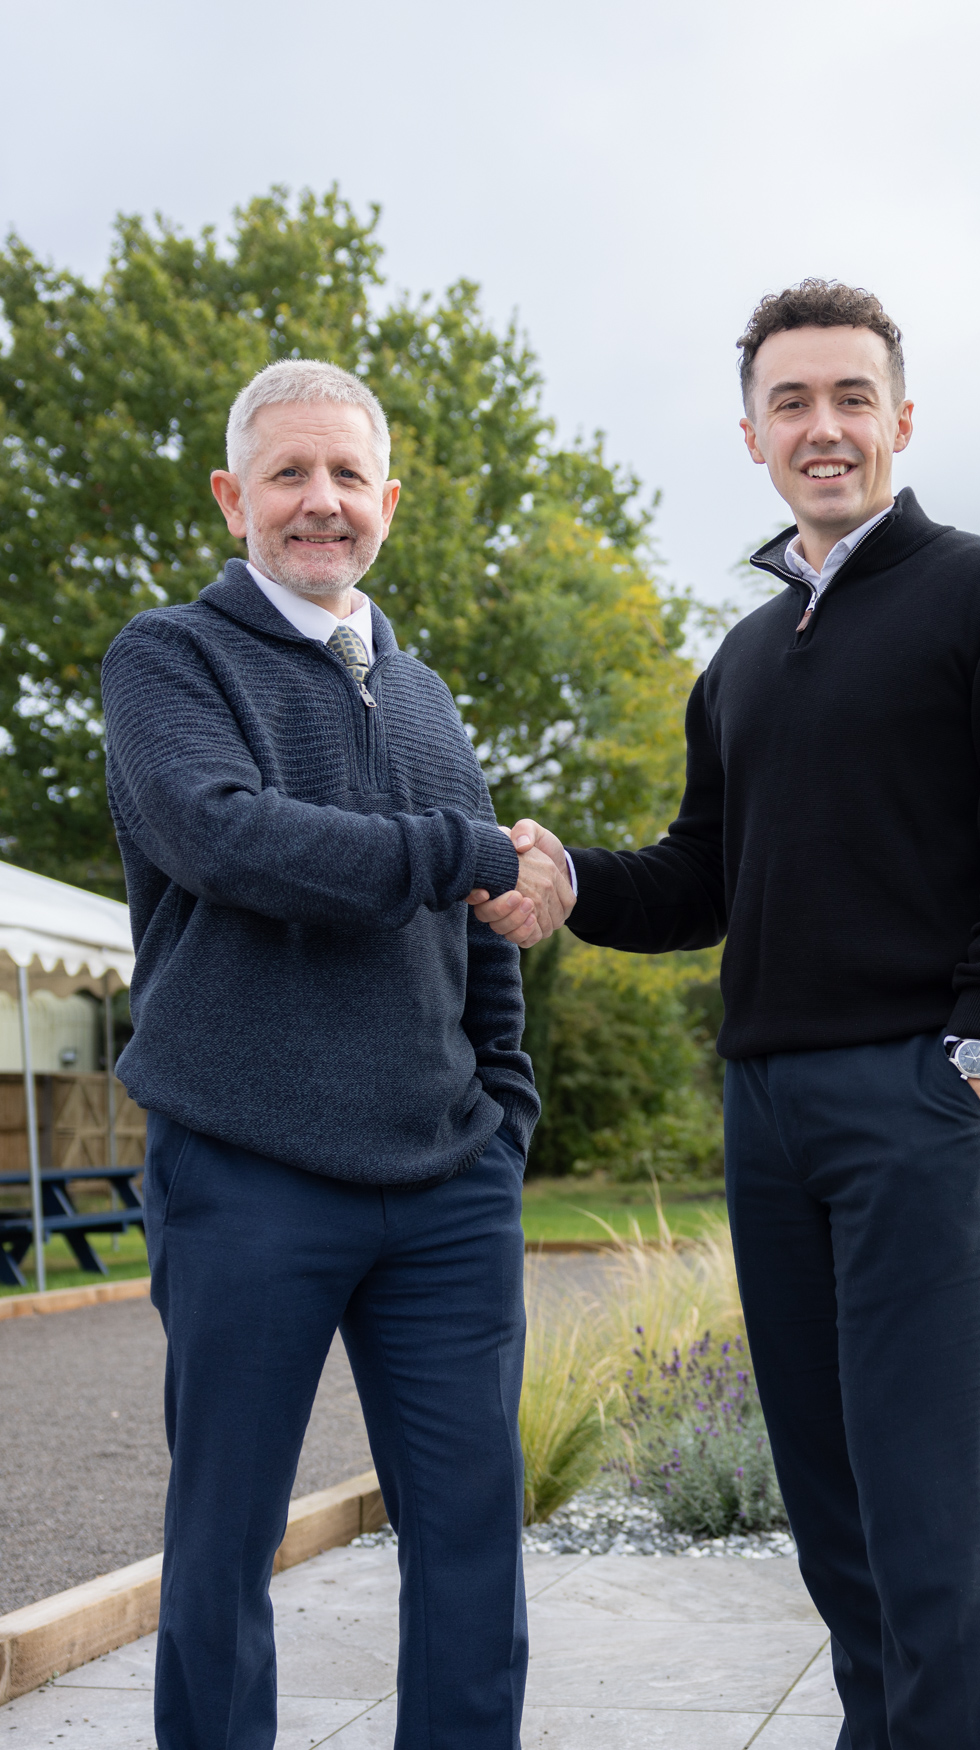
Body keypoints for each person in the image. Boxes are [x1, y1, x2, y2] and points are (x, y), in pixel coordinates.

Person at [476, 281, 980, 1750]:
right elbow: (705, 874)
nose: (823, 427)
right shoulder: (746, 657)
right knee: (828, 1506)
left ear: (901, 417)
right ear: (752, 430)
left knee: (928, 1506)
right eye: (791, 402)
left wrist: (977, 1046)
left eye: (848, 397)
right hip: (769, 1110)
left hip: (923, 1099)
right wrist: (566, 876)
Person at [101, 358, 573, 1750]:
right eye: (291, 474)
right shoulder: (166, 659)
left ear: (390, 502)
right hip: (249, 1173)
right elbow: (226, 836)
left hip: (446, 1187)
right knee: (223, 1545)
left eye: (348, 477)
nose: (322, 503)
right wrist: (469, 849)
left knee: (473, 1547)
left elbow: (488, 933)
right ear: (232, 495)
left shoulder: (422, 696)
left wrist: (505, 1117)